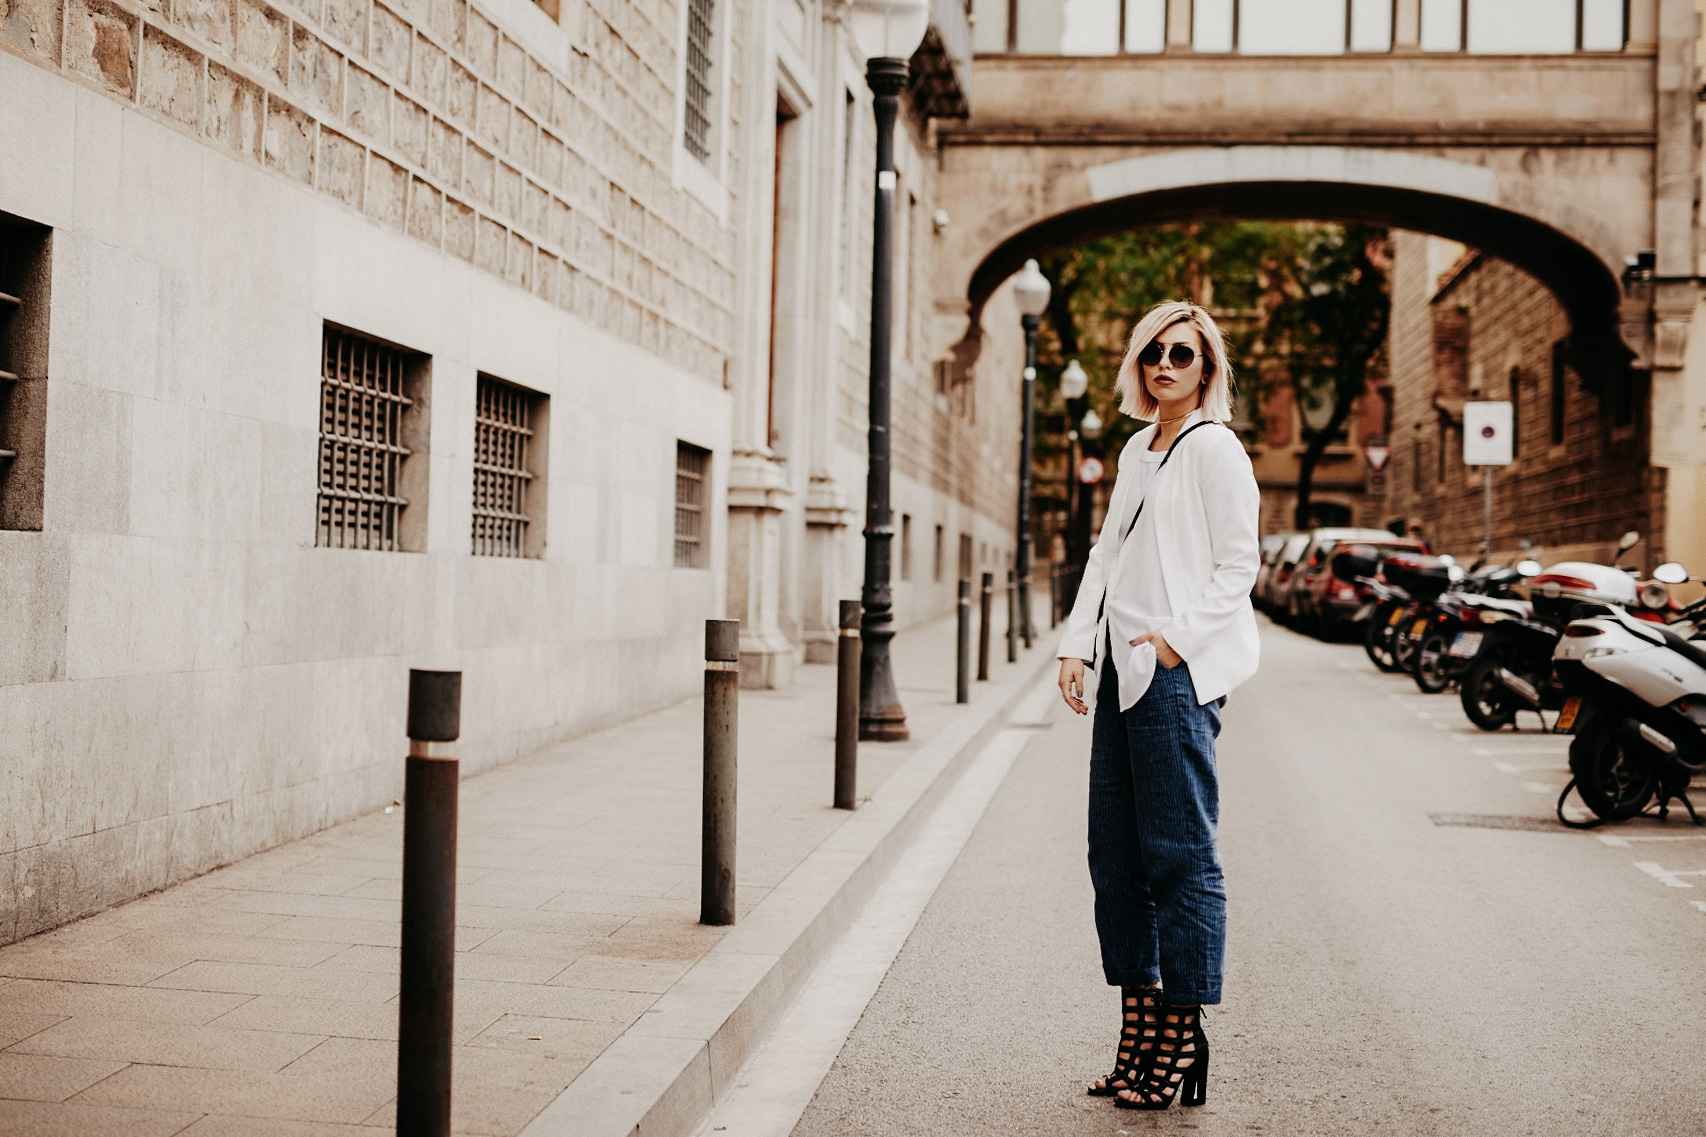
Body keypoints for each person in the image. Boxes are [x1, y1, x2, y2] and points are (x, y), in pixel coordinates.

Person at [1056, 300, 1260, 1111]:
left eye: (1182, 354)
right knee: (1114, 857)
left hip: (1173, 673)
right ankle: (1137, 1026)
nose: (1165, 366)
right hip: (1120, 671)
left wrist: (1176, 641)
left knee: (1179, 856)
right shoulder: (1138, 450)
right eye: (1152, 354)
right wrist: (1078, 642)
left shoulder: (1217, 450)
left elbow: (1238, 563)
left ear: (1206, 370)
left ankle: (1181, 1033)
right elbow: (1107, 553)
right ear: (1138, 367)